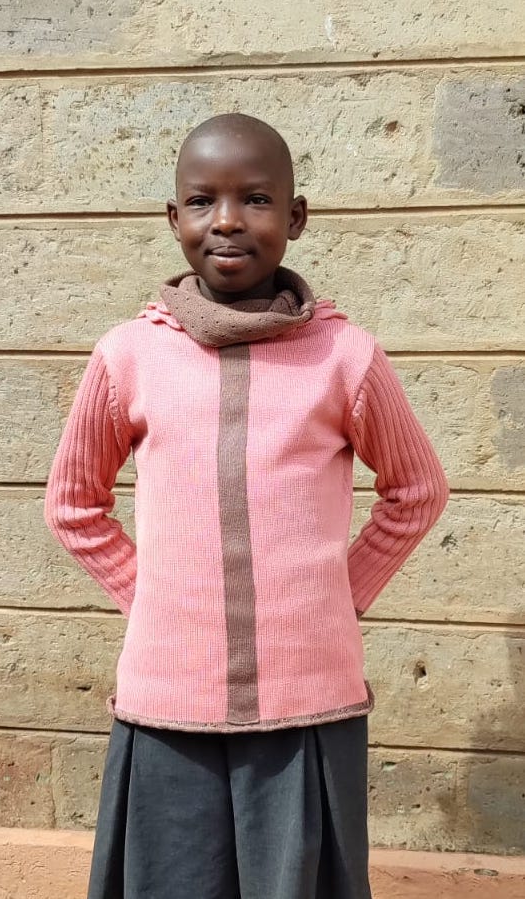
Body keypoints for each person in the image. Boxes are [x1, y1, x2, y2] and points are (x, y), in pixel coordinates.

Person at [44, 112, 449, 899]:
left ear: (296, 217)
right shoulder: (129, 356)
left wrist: (338, 594)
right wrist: (151, 596)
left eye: (256, 199)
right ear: (174, 218)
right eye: (202, 201)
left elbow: (416, 490)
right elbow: (73, 504)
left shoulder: (346, 357)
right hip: (169, 700)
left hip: (308, 701)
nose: (227, 220)